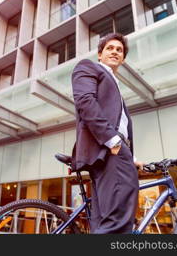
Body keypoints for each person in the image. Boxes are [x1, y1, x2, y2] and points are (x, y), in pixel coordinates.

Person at [71, 32, 142, 234]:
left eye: (119, 50)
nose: (115, 52)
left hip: (112, 149)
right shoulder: (89, 67)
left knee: (105, 221)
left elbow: (118, 122)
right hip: (107, 148)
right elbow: (85, 101)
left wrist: (131, 156)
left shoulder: (114, 85)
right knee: (118, 221)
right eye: (110, 48)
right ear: (100, 54)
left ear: (123, 59)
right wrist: (112, 141)